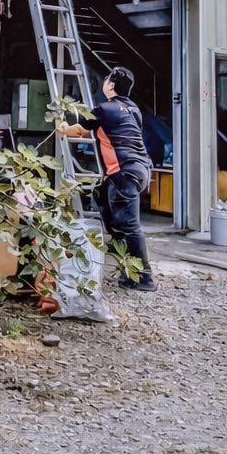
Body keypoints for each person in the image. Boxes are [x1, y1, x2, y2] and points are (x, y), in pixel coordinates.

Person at [57, 65, 156, 292]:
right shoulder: (134, 109)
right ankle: (127, 270)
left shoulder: (104, 109)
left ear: (110, 85)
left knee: (129, 226)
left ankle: (144, 277)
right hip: (139, 169)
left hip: (125, 171)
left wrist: (61, 125)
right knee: (105, 202)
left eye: (107, 79)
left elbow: (77, 130)